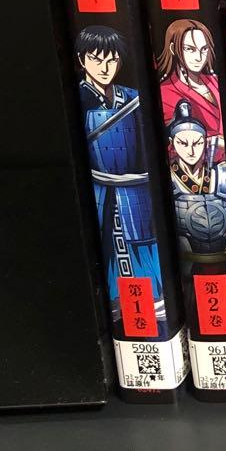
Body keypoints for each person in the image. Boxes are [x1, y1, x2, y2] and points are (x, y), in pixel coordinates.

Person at [75, 26, 163, 328]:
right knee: (109, 245)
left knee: (141, 241)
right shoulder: (80, 98)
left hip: (136, 187)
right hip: (100, 187)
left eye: (111, 60)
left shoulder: (132, 97)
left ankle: (152, 300)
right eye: (96, 59)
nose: (105, 67)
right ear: (81, 60)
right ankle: (116, 300)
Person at [166, 100, 226, 281]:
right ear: (172, 144)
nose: (191, 150)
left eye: (197, 143)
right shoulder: (167, 179)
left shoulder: (222, 174)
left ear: (206, 142)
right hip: (187, 265)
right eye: (183, 143)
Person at [157, 19, 223, 157]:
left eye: (204, 49)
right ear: (173, 49)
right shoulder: (166, 91)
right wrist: (217, 142)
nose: (199, 57)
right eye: (190, 49)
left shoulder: (215, 80)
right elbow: (176, 144)